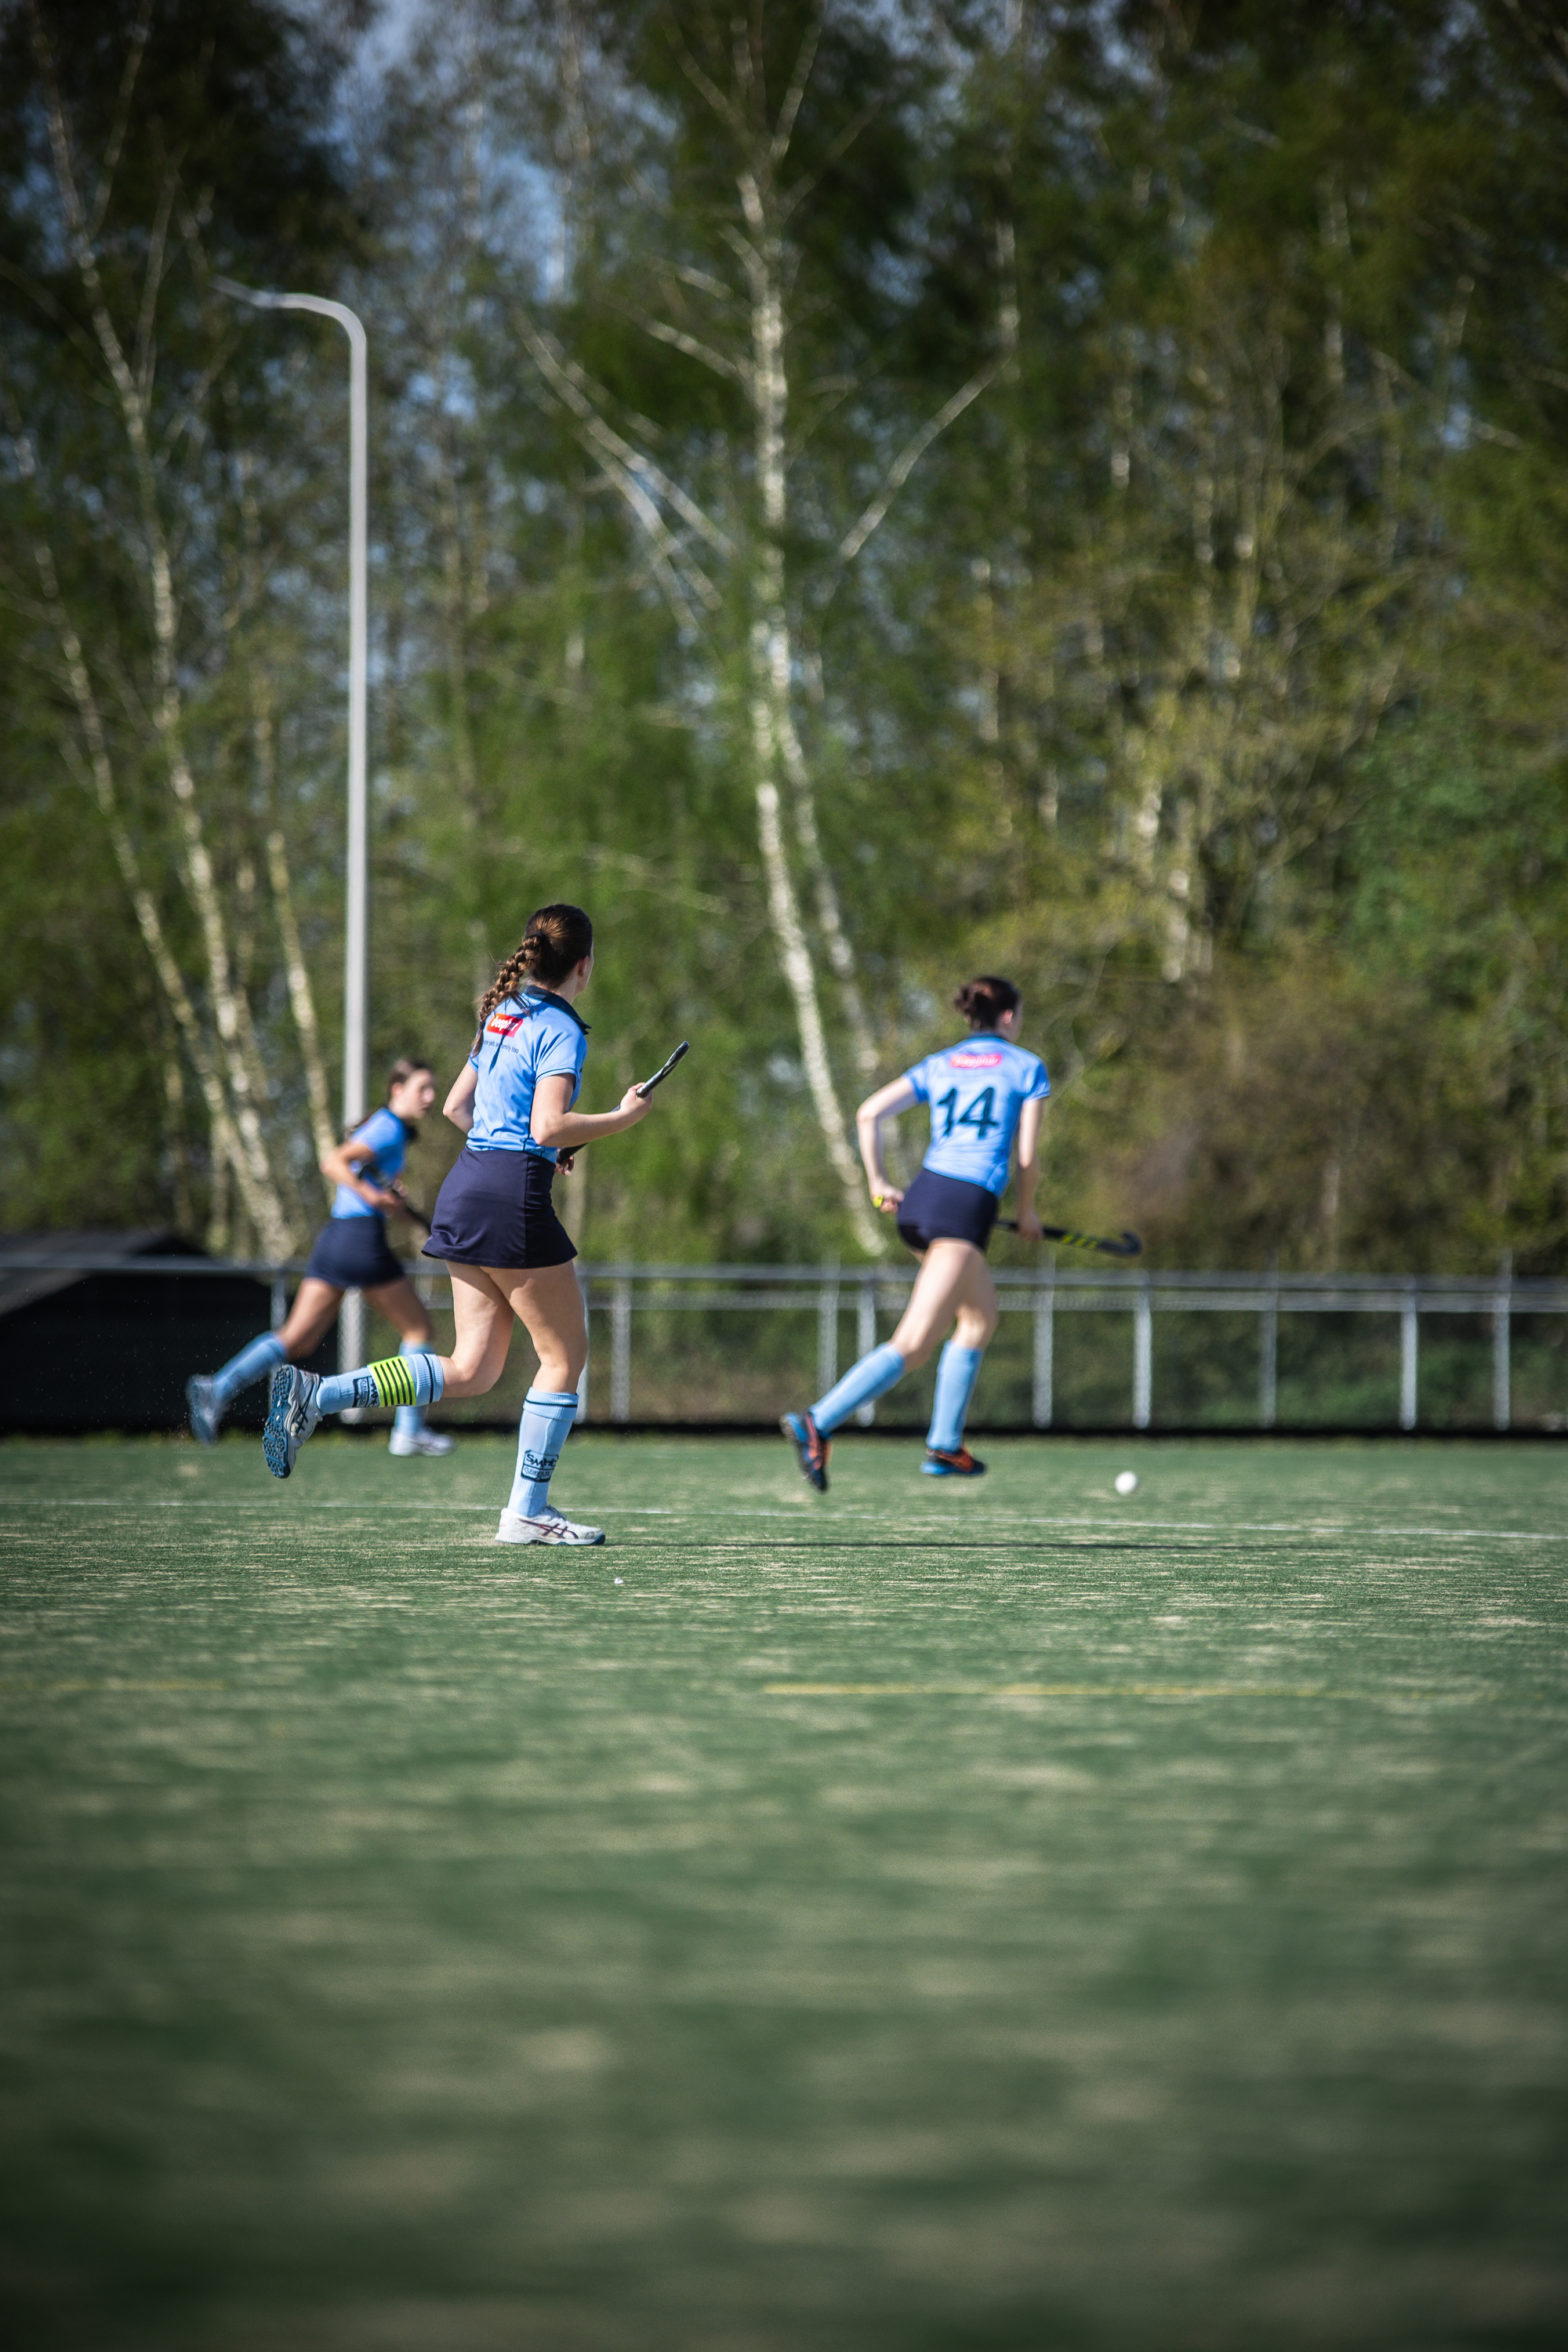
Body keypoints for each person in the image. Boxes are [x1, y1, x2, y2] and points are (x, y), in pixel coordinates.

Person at [261, 903, 655, 1544]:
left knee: (472, 1370)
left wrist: (529, 1153)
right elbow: (548, 1126)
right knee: (564, 1357)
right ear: (585, 964)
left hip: (467, 1186)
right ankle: (527, 1513)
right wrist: (621, 1116)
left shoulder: (502, 1010)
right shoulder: (560, 1026)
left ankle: (316, 1394)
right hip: (509, 1199)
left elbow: (455, 1107)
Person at [782, 975, 1048, 1489]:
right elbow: (1028, 1155)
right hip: (964, 1208)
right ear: (1010, 1017)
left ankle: (945, 1446)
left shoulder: (941, 1063)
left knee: (979, 1318)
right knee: (915, 1343)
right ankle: (816, 1421)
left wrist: (879, 1182)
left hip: (923, 1199)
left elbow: (868, 1113)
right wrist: (1029, 1211)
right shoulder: (1026, 1066)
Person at [187, 1058, 453, 1457]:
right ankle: (409, 1431)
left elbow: (362, 1179)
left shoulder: (387, 1128)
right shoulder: (388, 1126)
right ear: (397, 1089)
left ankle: (217, 1389)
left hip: (337, 1238)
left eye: (433, 1089)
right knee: (418, 1332)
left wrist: (387, 1201)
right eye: (422, 1089)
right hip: (360, 1240)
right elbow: (333, 1162)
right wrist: (373, 1197)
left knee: (298, 1339)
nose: (430, 1098)